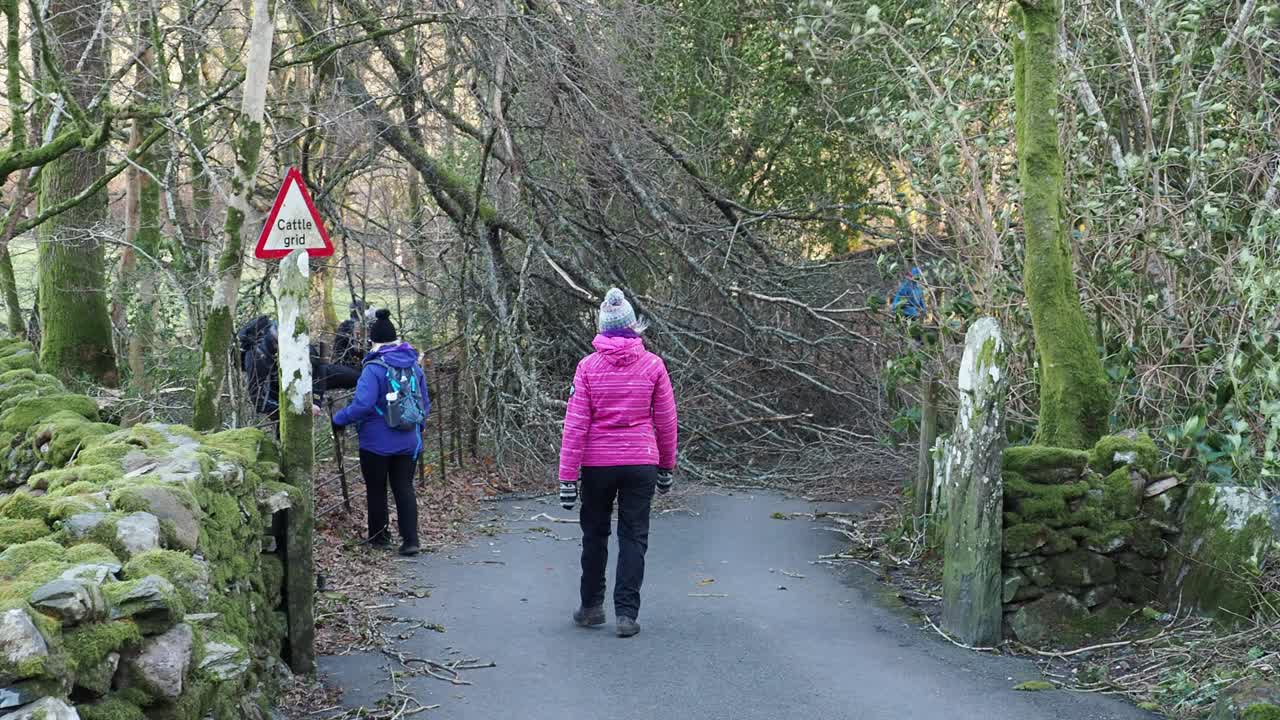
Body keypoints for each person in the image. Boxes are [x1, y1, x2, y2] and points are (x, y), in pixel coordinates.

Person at [557, 288, 678, 638]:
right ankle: (626, 614)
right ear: (633, 327)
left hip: (598, 465)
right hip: (641, 461)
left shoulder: (587, 367)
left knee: (594, 535)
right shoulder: (653, 365)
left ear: (602, 328)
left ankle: (592, 607)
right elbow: (667, 420)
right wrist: (666, 467)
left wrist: (568, 478)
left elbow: (576, 425)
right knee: (633, 535)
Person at [333, 309, 430, 556]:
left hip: (376, 442)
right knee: (404, 487)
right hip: (408, 440)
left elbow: (363, 405)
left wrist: (340, 419)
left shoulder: (373, 368)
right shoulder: (413, 366)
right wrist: (418, 428)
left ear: (373, 341)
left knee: (376, 489)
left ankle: (379, 537)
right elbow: (424, 403)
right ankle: (411, 540)